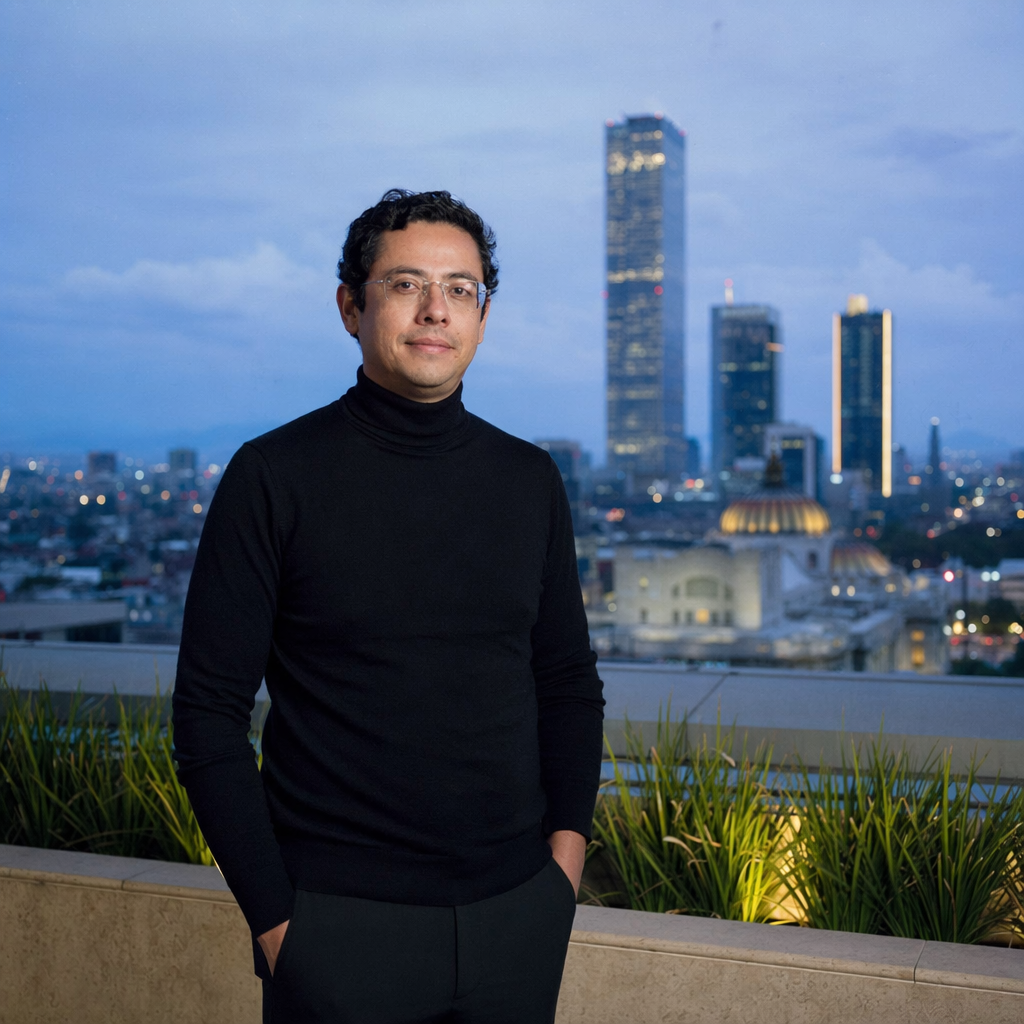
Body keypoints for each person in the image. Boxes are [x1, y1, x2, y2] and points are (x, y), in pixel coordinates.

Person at [172, 188, 605, 1023]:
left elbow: (565, 681)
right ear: (350, 306)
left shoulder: (528, 480)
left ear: (484, 314)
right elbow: (206, 715)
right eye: (406, 284)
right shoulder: (273, 476)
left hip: (518, 911)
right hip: (338, 924)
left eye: (462, 288)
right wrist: (277, 923)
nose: (436, 309)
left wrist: (562, 869)